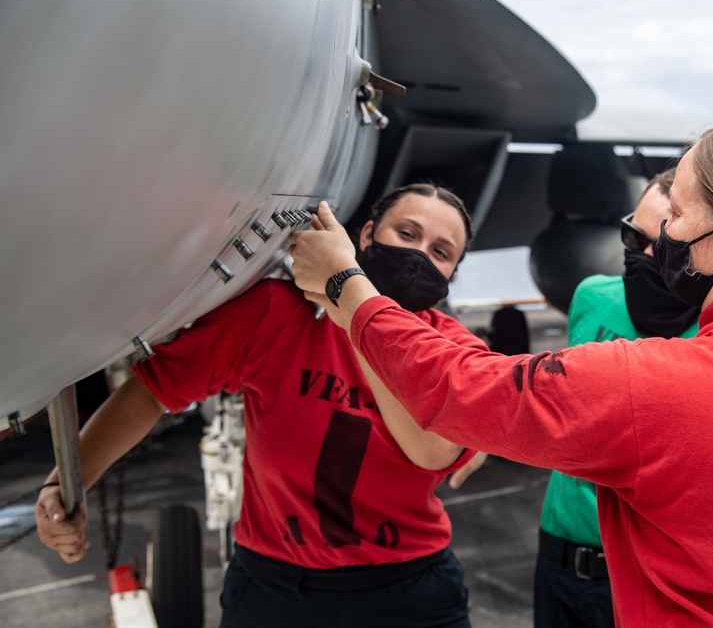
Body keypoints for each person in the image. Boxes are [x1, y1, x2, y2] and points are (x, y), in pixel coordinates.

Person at [289, 113, 713, 626]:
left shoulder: (654, 381)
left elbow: (459, 384)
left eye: (678, 216)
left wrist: (348, 285)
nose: (661, 240)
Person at [36, 183, 489, 628]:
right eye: (406, 234)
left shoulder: (455, 349)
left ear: (451, 275)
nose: (418, 256)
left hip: (408, 592)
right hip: (276, 591)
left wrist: (350, 311)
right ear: (366, 236)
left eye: (441, 252)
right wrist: (64, 487)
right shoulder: (275, 314)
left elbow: (431, 451)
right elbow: (151, 390)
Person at [534, 167, 699, 628]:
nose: (644, 257)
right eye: (633, 238)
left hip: (647, 578)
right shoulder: (591, 297)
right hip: (558, 557)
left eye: (662, 247)